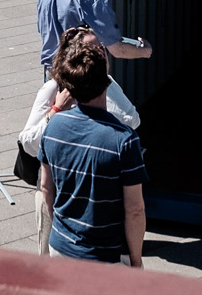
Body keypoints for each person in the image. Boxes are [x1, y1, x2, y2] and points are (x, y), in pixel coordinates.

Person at [19, 28, 140, 255]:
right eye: (94, 49)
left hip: (93, 188)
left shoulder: (107, 83)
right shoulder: (53, 88)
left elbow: (132, 120)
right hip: (55, 191)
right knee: (50, 258)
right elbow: (28, 143)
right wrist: (56, 110)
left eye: (102, 48)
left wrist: (104, 93)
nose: (101, 53)